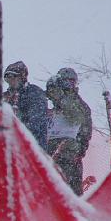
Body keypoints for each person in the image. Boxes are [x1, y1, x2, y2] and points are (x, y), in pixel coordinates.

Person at [0, 61, 47, 193]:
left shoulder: (34, 94)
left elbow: (35, 122)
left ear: (22, 77)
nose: (10, 81)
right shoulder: (6, 97)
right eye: (8, 78)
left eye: (13, 77)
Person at [45, 67, 92, 196]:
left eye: (71, 82)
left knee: (69, 192)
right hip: (50, 152)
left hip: (69, 154)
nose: (68, 85)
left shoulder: (78, 103)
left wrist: (79, 150)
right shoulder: (52, 106)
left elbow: (80, 122)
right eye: (65, 81)